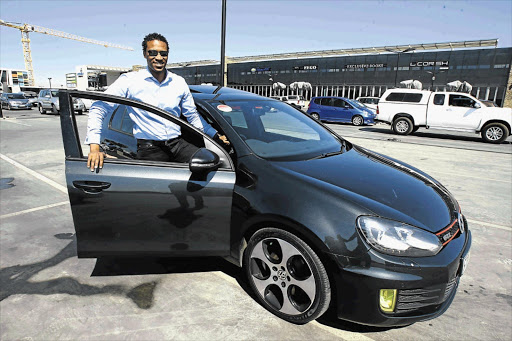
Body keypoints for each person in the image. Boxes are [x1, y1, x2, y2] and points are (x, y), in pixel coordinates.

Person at [85, 32, 229, 171]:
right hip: (150, 149)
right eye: (153, 53)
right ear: (144, 54)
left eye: (163, 53)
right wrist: (94, 148)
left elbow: (192, 116)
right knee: (156, 192)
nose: (159, 57)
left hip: (177, 144)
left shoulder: (178, 82)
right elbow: (99, 107)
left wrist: (215, 135)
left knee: (214, 165)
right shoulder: (130, 81)